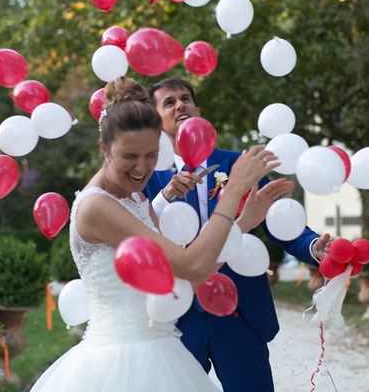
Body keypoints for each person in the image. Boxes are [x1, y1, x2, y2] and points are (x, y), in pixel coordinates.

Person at [30, 77, 280, 392]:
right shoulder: (97, 207)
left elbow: (185, 278)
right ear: (104, 147)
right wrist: (234, 191)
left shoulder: (135, 198)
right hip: (118, 365)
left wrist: (244, 222)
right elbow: (192, 265)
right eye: (129, 156)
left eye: (150, 155)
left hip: (163, 350)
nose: (141, 168)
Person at [145, 77, 332, 392]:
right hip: (176, 315)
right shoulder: (148, 176)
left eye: (185, 99)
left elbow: (279, 220)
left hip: (238, 310)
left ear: (198, 110)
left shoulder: (237, 165)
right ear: (155, 120)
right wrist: (163, 199)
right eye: (169, 102)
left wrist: (313, 247)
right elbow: (139, 233)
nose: (180, 105)